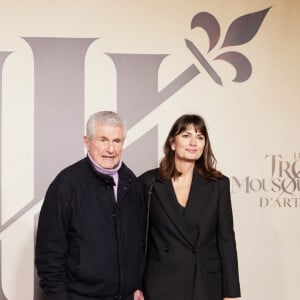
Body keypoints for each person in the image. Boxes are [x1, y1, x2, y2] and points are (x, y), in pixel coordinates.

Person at [35, 111, 145, 300]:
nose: (110, 149)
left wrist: (138, 286)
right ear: (87, 142)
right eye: (103, 140)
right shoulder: (66, 185)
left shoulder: (132, 184)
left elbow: (140, 244)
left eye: (117, 141)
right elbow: (49, 254)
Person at [139, 114, 241, 300]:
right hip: (160, 281)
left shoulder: (218, 184)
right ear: (172, 142)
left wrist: (231, 293)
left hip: (204, 283)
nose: (193, 142)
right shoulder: (149, 182)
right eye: (186, 135)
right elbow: (137, 240)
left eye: (200, 137)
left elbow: (226, 240)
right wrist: (136, 286)